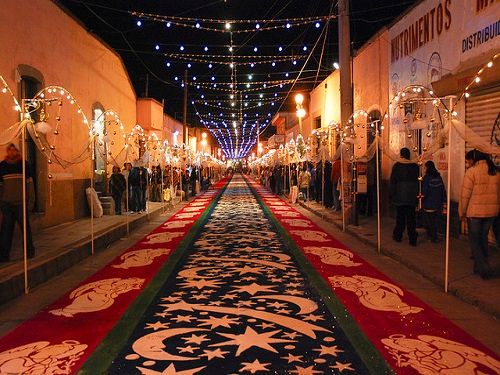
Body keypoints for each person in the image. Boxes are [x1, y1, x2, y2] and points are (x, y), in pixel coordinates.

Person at [459, 150, 499, 279]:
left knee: (475, 241)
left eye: (468, 160)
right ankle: (478, 267)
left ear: (474, 159)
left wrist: (462, 212)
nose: (468, 163)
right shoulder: (495, 171)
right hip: (491, 212)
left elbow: (465, 195)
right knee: (483, 239)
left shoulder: (472, 172)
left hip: (475, 213)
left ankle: (484, 268)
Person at [0, 144, 35, 261]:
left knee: (25, 229)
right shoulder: (2, 166)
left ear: (17, 151)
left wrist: (31, 200)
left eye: (13, 150)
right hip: (7, 204)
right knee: (6, 230)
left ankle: (29, 252)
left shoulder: (24, 164)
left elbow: (30, 183)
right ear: (7, 152)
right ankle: (4, 255)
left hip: (21, 203)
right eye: (9, 150)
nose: (11, 152)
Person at [390, 147, 419, 246]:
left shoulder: (397, 166)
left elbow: (393, 182)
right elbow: (418, 181)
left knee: (400, 218)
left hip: (400, 196)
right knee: (411, 219)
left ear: (401, 155)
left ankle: (398, 236)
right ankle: (413, 239)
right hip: (412, 197)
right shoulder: (415, 166)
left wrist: (392, 195)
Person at [422, 161, 446, 243]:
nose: (424, 169)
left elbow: (424, 191)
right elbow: (442, 189)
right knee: (435, 220)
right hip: (437, 203)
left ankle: (433, 237)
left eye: (425, 167)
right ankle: (434, 236)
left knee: (430, 221)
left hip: (429, 203)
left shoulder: (427, 178)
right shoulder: (438, 176)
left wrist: (421, 199)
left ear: (427, 168)